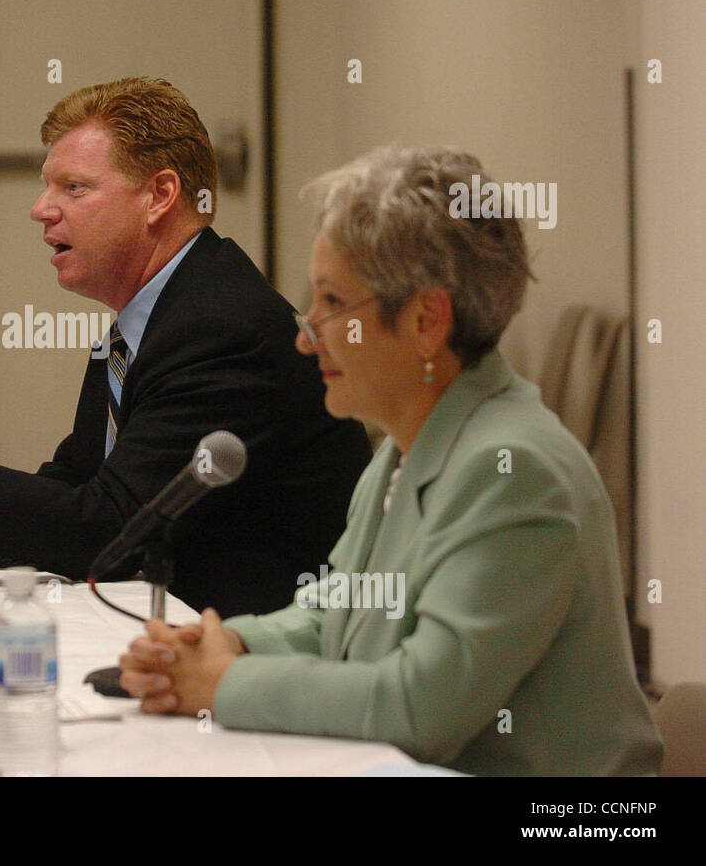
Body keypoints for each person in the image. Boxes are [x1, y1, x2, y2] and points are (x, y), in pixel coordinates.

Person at [118, 146, 663, 775]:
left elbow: (421, 705)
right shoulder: (410, 448)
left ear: (427, 321)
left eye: (331, 303)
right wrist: (225, 644)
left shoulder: (514, 470)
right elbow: (339, 610)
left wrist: (222, 686)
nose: (305, 333)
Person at [0, 77, 373, 616]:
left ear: (160, 195)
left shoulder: (221, 329)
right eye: (47, 187)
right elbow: (79, 478)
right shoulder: (152, 312)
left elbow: (112, 530)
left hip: (257, 651)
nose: (41, 209)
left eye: (75, 188)